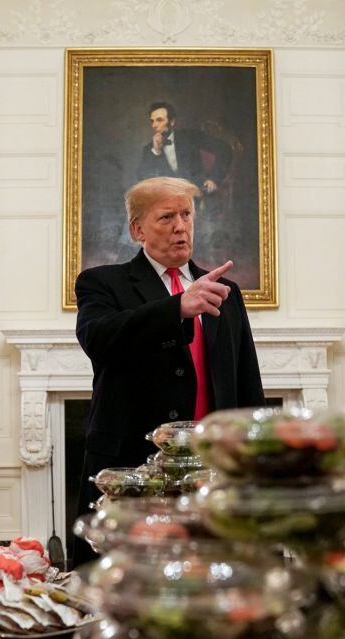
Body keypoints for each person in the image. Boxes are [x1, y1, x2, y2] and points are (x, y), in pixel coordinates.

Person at [73, 176, 265, 565]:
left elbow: (246, 381)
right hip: (132, 466)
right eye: (166, 217)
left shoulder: (225, 291)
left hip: (212, 473)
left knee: (208, 580)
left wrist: (256, 460)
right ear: (137, 229)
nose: (181, 226)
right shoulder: (102, 283)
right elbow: (99, 339)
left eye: (186, 215)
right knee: (127, 586)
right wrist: (176, 307)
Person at [136, 102, 233, 196]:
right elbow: (141, 177)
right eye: (152, 121)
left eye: (159, 120)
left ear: (172, 122)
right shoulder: (150, 149)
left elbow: (224, 148)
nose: (154, 125)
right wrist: (156, 151)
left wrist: (214, 179)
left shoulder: (190, 137)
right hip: (167, 201)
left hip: (198, 195)